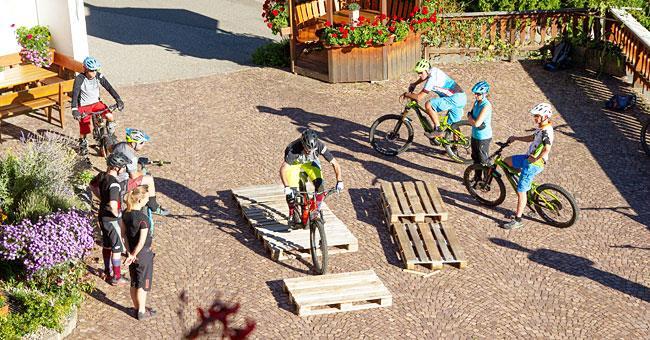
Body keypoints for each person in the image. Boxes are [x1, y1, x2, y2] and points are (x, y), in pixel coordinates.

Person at [502, 103, 555, 230]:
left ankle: (518, 219)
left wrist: (535, 159)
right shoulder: (541, 128)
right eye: (535, 116)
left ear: (545, 116)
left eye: (537, 116)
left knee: (521, 191)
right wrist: (516, 138)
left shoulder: (546, 132)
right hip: (528, 159)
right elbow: (532, 137)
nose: (535, 118)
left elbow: (547, 149)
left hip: (533, 164)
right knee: (506, 161)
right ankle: (523, 181)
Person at [280, 129, 343, 227]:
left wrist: (339, 181)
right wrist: (287, 187)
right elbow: (283, 170)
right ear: (303, 144)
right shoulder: (294, 149)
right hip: (295, 164)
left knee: (320, 187)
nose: (309, 152)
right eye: (307, 149)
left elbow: (335, 164)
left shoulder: (320, 146)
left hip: (310, 164)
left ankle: (316, 210)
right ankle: (292, 212)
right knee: (292, 193)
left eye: (312, 150)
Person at [71, 56, 124, 155]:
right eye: (91, 71)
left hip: (96, 103)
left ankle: (111, 135)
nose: (94, 73)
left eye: (95, 70)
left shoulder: (98, 76)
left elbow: (109, 87)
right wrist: (74, 109)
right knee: (85, 127)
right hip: (84, 106)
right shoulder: (79, 79)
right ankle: (83, 142)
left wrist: (118, 99)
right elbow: (75, 94)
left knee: (110, 116)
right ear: (85, 69)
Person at [403, 59, 467, 138]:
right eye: (418, 73)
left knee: (429, 104)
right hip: (462, 97)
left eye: (420, 72)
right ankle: (454, 147)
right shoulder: (433, 70)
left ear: (426, 70)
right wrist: (415, 84)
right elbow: (424, 77)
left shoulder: (431, 79)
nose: (419, 75)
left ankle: (438, 129)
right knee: (453, 124)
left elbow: (419, 97)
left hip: (454, 98)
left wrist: (406, 94)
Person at [112, 128, 170, 216]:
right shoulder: (131, 157)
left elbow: (110, 148)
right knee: (149, 179)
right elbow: (134, 176)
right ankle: (154, 207)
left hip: (112, 177)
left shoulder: (120, 145)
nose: (144, 144)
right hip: (121, 182)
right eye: (141, 142)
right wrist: (142, 172)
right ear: (133, 143)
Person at [123, 185, 157, 320]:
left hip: (132, 253)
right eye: (146, 199)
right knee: (143, 284)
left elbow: (123, 236)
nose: (147, 201)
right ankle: (142, 311)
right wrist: (134, 254)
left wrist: (129, 252)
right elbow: (142, 241)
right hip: (143, 255)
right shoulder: (144, 219)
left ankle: (137, 307)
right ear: (140, 200)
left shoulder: (126, 214)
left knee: (134, 282)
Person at [96, 152, 131, 285]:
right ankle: (116, 276)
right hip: (111, 220)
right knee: (117, 247)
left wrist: (101, 199)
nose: (124, 169)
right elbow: (112, 204)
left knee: (106, 244)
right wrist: (118, 214)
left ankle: (107, 270)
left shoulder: (101, 176)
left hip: (102, 216)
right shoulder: (114, 184)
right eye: (123, 166)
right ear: (117, 167)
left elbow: (92, 185)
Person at [467, 80, 493, 180]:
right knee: (475, 158)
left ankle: (487, 180)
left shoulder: (486, 106)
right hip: (475, 135)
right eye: (475, 93)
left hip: (483, 137)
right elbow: (472, 117)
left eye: (478, 94)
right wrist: (471, 118)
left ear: (485, 94)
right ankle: (477, 178)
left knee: (484, 160)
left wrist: (470, 117)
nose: (476, 96)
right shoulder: (476, 103)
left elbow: (476, 123)